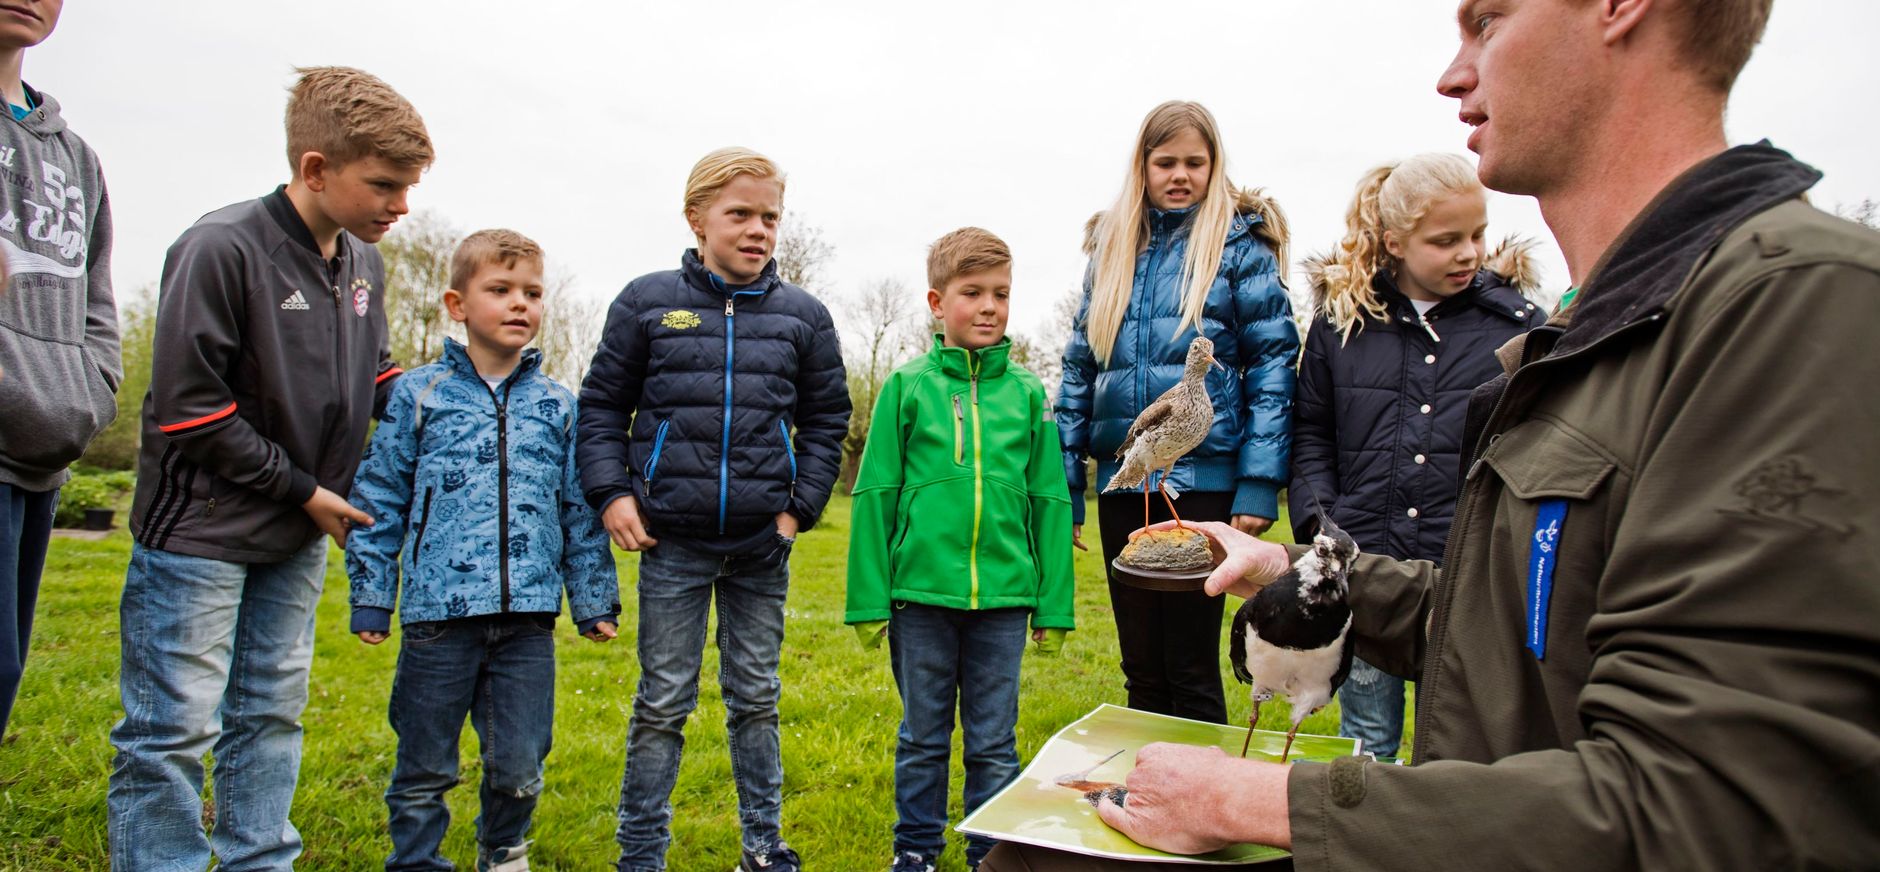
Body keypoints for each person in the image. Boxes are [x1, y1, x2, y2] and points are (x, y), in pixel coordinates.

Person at [986, 0, 1880, 869]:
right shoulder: (1598, 330)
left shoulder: (1795, 311)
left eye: (1487, 19)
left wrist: (1258, 801)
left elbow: (1719, 814)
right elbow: (1513, 637)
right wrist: (1293, 568)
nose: (1452, 74)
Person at [107, 66, 430, 871]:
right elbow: (191, 409)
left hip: (295, 533)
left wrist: (447, 406)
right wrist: (305, 489)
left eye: (409, 187)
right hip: (201, 537)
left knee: (272, 712)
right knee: (172, 728)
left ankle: (260, 860)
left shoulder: (364, 262)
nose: (401, 206)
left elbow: (375, 372)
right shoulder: (220, 248)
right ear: (316, 169)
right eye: (385, 185)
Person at [577, 147, 850, 872]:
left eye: (770, 217)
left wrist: (798, 511)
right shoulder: (646, 302)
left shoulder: (804, 317)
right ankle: (641, 854)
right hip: (673, 543)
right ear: (697, 217)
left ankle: (763, 847)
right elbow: (602, 405)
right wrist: (612, 493)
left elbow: (828, 420)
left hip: (763, 544)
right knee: (663, 702)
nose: (758, 229)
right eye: (740, 214)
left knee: (756, 696)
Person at [346, 229, 621, 872]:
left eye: (531, 292)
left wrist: (592, 601)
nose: (518, 303)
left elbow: (577, 511)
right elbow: (380, 496)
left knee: (521, 760)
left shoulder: (558, 405)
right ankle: (415, 860)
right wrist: (371, 596)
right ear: (457, 303)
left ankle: (503, 852)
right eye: (499, 290)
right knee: (424, 760)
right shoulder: (419, 395)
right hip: (437, 617)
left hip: (527, 619)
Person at [1290, 153, 1546, 760]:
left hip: (1466, 580)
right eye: (1446, 240)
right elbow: (1311, 435)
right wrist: (1322, 526)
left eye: (1478, 235)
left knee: (1459, 747)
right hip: (1365, 574)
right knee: (1367, 743)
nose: (1469, 253)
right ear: (1395, 243)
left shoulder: (1519, 327)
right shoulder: (1341, 325)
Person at [1056, 100, 1297, 725]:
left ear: (1215, 166)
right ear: (1142, 167)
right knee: (1141, 663)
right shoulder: (1111, 251)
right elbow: (1081, 367)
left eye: (1196, 161)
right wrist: (1065, 482)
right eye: (1166, 162)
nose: (1180, 175)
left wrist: (1258, 481)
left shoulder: (1239, 249)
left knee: (1190, 661)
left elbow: (1273, 368)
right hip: (1126, 479)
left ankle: (1202, 803)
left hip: (1206, 482)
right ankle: (1150, 797)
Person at [845, 228, 1075, 871]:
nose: (989, 306)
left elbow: (1050, 504)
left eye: (1001, 293)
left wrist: (1054, 607)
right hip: (919, 598)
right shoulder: (907, 387)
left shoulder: (1029, 394)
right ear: (936, 302)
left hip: (1003, 600)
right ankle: (914, 851)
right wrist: (868, 599)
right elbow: (875, 495)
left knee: (994, 742)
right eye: (971, 292)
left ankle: (989, 853)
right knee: (922, 736)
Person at [0, 0, 118, 741]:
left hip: (42, 450)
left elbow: (95, 295)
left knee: (4, 672)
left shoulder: (74, 156)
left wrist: (90, 390)